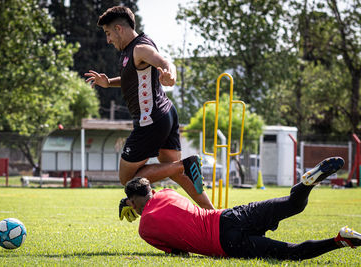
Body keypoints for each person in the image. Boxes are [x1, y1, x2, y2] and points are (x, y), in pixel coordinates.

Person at [84, 6, 214, 219]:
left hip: (150, 120)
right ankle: (214, 214)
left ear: (119, 28)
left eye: (108, 33)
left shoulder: (140, 48)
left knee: (127, 179)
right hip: (165, 114)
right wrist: (108, 83)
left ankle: (186, 163)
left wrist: (170, 74)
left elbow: (163, 61)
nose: (108, 40)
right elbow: (132, 80)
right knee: (176, 172)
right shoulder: (129, 50)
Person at [124, 157, 361, 260]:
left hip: (225, 243)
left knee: (291, 252)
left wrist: (130, 207)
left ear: (133, 203)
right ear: (151, 191)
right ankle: (307, 182)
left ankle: (341, 240)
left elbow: (180, 253)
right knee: (293, 204)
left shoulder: (145, 230)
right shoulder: (168, 193)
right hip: (229, 216)